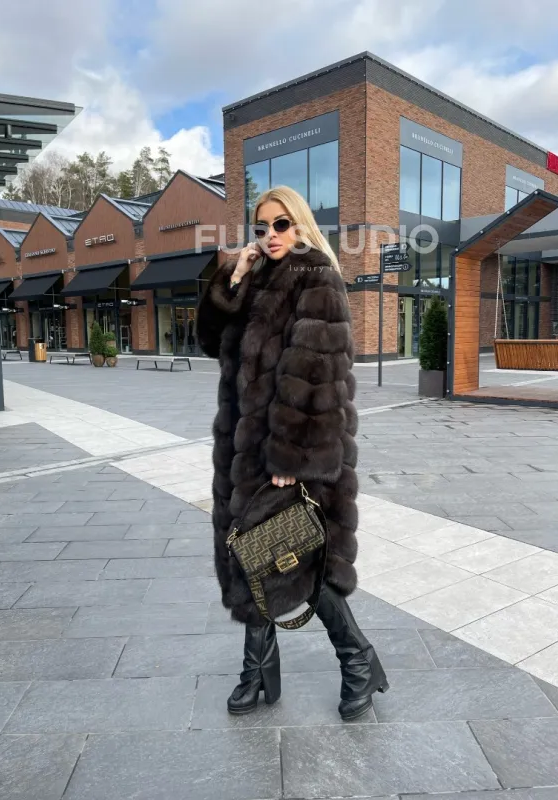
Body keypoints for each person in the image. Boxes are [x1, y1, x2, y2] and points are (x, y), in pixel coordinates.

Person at [196, 185, 388, 721]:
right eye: (262, 227)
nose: (271, 235)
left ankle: (357, 659)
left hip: (293, 450)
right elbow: (210, 343)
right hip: (244, 450)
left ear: (300, 224)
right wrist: (232, 280)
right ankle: (258, 672)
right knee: (252, 555)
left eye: (281, 224)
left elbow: (317, 373)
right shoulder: (257, 275)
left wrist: (289, 458)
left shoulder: (316, 276)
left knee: (302, 558)